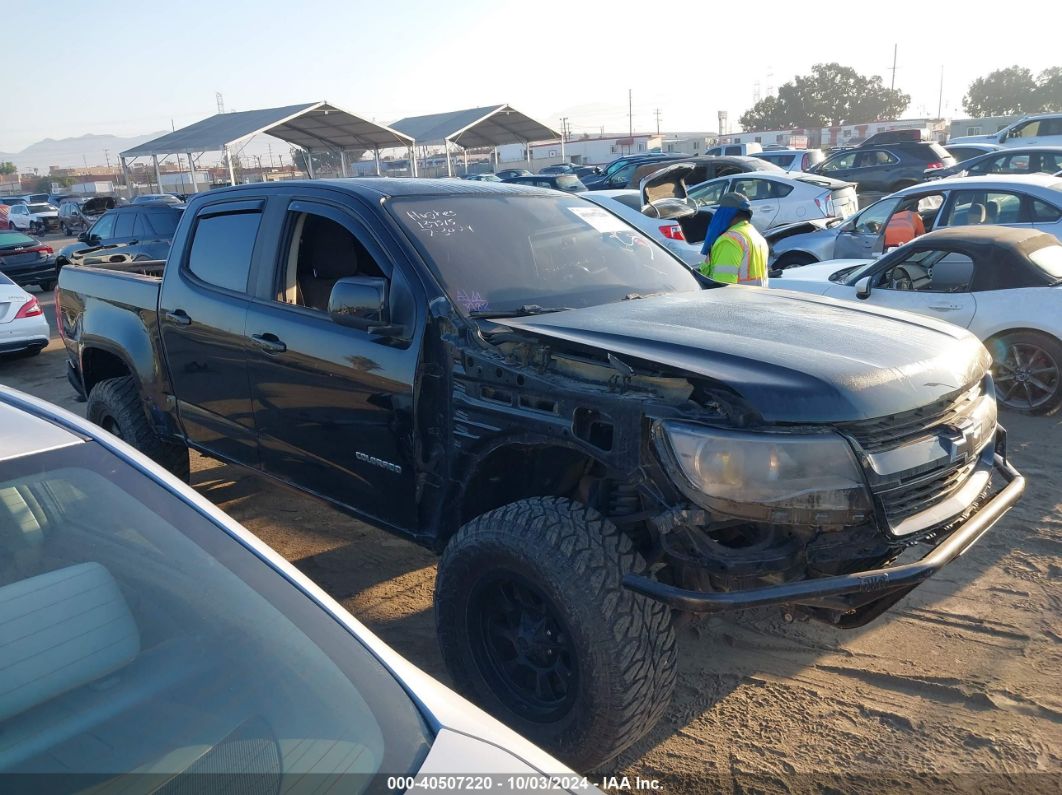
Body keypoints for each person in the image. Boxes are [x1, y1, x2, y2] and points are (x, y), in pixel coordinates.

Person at [698, 192, 769, 286]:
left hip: (737, 299)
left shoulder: (729, 240)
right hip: (756, 298)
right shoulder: (756, 236)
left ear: (726, 214)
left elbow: (723, 285)